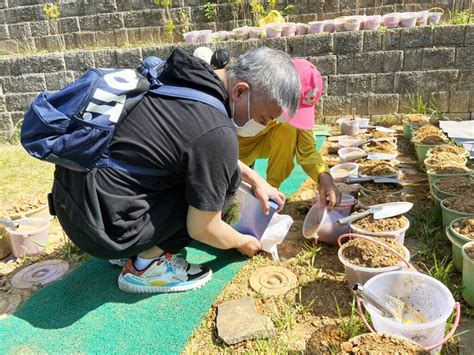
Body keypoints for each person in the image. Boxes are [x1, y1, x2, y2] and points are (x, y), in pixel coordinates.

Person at [51, 47, 301, 294]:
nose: (258, 125)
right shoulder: (216, 130)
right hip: (104, 231)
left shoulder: (179, 74)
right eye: (262, 118)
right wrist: (242, 241)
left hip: (75, 203)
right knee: (216, 190)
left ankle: (133, 245)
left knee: (211, 172)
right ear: (240, 91)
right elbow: (203, 228)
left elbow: (194, 144)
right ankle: (146, 266)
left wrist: (256, 179)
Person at [238, 59, 341, 207]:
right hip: (232, 153)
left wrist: (324, 177)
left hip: (259, 146)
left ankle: (272, 189)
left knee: (289, 127)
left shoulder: (288, 118)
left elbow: (307, 151)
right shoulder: (245, 97)